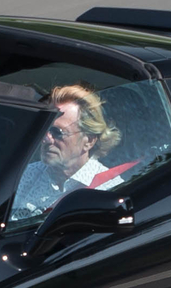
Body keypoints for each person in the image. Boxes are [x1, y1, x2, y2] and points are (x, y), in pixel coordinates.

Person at [7, 83, 117, 223]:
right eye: (43, 129)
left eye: (57, 132)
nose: (46, 139)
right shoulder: (25, 175)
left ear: (88, 141)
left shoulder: (109, 189)